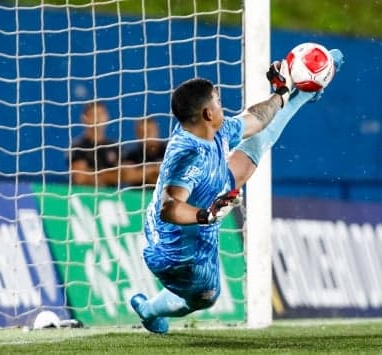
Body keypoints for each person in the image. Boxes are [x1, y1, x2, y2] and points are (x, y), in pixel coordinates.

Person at [130, 50, 344, 334]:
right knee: (205, 297)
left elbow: (256, 120)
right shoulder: (189, 156)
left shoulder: (211, 130)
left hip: (201, 202)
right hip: (177, 256)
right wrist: (207, 214)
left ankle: (302, 97)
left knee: (256, 142)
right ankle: (150, 310)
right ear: (208, 113)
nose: (222, 106)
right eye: (218, 102)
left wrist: (282, 93)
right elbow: (169, 207)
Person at [70, 101, 120, 187]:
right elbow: (80, 178)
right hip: (84, 195)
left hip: (111, 198)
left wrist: (91, 174)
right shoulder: (78, 146)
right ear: (84, 118)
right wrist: (110, 175)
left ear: (107, 117)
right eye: (94, 115)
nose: (98, 119)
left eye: (100, 114)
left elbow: (123, 175)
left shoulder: (115, 147)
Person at [122, 118, 167, 186]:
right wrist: (154, 170)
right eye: (141, 132)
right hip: (137, 194)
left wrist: (140, 173)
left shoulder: (169, 152)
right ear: (136, 134)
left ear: (156, 130)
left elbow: (169, 178)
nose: (145, 136)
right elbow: (127, 177)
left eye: (149, 131)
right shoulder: (132, 155)